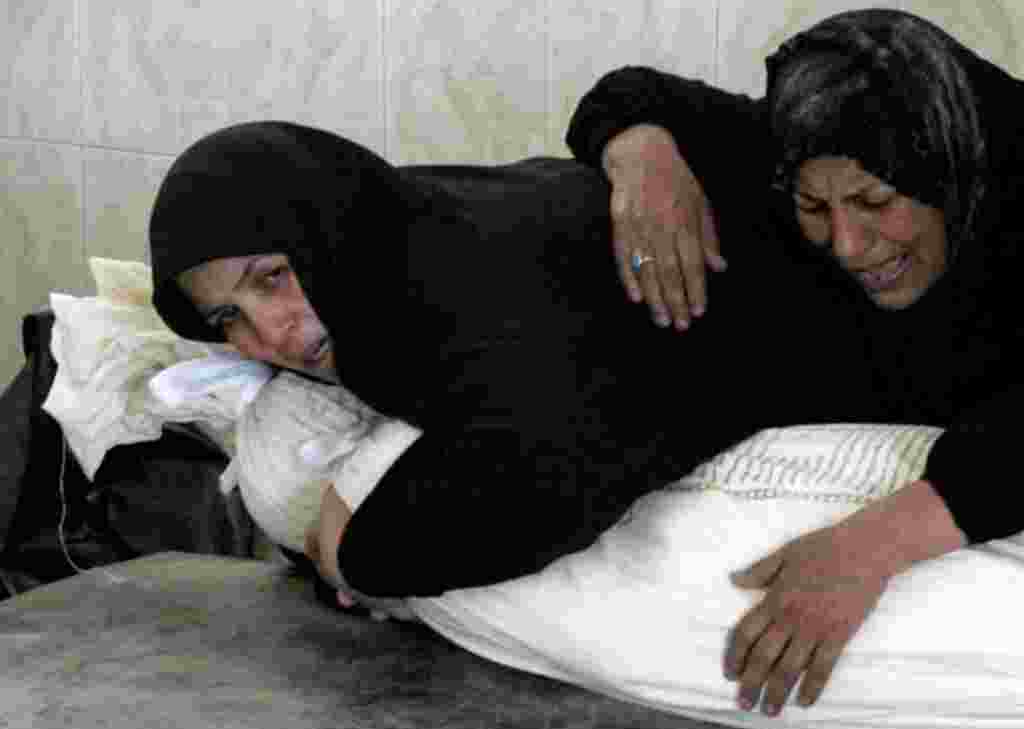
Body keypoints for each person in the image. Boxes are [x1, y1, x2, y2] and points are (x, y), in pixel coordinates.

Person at [147, 121, 866, 606]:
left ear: (323, 232)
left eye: (273, 276)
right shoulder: (394, 228)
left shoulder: (471, 286)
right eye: (227, 318)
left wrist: (353, 554)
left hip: (864, 322)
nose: (269, 332)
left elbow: (546, 473)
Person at [566, 8, 1024, 718]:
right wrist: (643, 160)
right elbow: (630, 95)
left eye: (876, 201)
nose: (847, 243)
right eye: (815, 206)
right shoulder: (811, 140)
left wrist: (869, 548)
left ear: (952, 171)